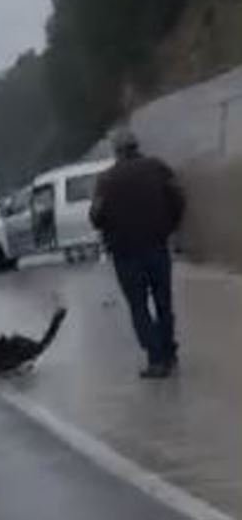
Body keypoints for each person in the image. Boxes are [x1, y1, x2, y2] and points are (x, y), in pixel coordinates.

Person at [90, 127, 185, 378]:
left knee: (139, 307)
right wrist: (169, 227)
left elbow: (96, 217)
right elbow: (178, 199)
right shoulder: (158, 168)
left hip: (126, 254)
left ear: (117, 151)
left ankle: (156, 359)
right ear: (136, 146)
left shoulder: (106, 180)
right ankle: (169, 353)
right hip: (157, 247)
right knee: (164, 303)